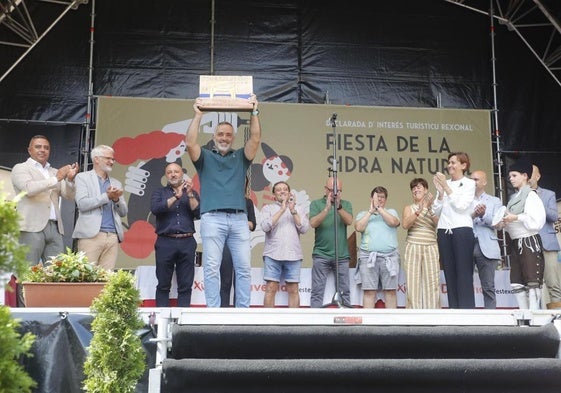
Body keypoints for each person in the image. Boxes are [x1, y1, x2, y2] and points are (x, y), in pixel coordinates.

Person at [185, 94, 260, 308]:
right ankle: (213, 311)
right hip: (212, 218)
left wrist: (254, 112)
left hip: (239, 219)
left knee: (244, 268)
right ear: (214, 136)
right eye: (220, 134)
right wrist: (198, 114)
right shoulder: (205, 158)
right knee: (211, 267)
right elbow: (190, 142)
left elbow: (255, 139)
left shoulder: (241, 157)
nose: (224, 137)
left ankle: (243, 310)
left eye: (228, 134)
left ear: (233, 137)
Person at [11, 135, 79, 265]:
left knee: (57, 274)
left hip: (54, 226)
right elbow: (28, 189)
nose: (42, 150)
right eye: (38, 147)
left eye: (46, 148)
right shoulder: (20, 168)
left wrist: (70, 180)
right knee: (28, 272)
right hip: (31, 227)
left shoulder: (54, 171)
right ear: (29, 150)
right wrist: (56, 179)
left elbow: (69, 196)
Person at [495, 160, 545, 310]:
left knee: (532, 281)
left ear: (525, 176)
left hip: (528, 241)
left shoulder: (531, 196)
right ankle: (523, 314)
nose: (511, 179)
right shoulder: (514, 199)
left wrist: (516, 217)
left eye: (514, 175)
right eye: (510, 176)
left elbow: (537, 221)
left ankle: (534, 315)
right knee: (517, 281)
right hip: (516, 242)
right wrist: (503, 223)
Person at [150, 162, 200, 307]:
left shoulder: (191, 192)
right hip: (166, 242)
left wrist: (189, 194)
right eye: (169, 172)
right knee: (163, 284)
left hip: (187, 241)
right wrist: (176, 197)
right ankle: (161, 323)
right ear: (166, 175)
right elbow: (156, 209)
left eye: (176, 172)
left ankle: (182, 324)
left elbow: (198, 212)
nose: (173, 174)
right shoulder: (159, 192)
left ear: (182, 173)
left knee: (185, 285)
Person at [72, 145, 128, 270]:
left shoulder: (116, 183)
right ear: (96, 159)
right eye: (108, 158)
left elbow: (123, 212)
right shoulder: (83, 178)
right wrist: (106, 196)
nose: (112, 162)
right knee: (86, 277)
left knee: (106, 281)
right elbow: (82, 204)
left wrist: (116, 199)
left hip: (112, 236)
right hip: (91, 236)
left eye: (113, 159)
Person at [432, 152, 476, 309]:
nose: (449, 165)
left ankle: (467, 311)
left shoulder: (469, 183)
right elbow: (436, 211)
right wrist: (440, 193)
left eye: (453, 162)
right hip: (444, 230)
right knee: (449, 272)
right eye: (448, 162)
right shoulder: (446, 183)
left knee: (464, 272)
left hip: (462, 230)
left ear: (463, 166)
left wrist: (446, 187)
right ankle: (454, 310)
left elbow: (461, 206)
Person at [261, 181, 310, 307]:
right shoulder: (268, 208)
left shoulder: (298, 209)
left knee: (293, 289)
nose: (282, 191)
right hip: (273, 254)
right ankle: (267, 323)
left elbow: (304, 229)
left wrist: (292, 210)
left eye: (285, 189)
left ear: (289, 192)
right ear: (274, 194)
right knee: (271, 288)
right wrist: (282, 210)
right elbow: (265, 227)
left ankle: (294, 324)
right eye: (278, 190)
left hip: (293, 255)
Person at [309, 176, 354, 307]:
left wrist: (338, 207)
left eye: (338, 190)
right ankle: (315, 322)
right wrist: (327, 208)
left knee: (344, 291)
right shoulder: (316, 204)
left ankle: (346, 322)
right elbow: (313, 223)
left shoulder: (346, 204)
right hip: (321, 254)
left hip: (341, 256)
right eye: (331, 190)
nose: (334, 193)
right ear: (325, 189)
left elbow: (349, 221)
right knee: (317, 291)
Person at [354, 186, 401, 308]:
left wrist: (379, 209)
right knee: (369, 291)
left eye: (382, 197)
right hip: (368, 257)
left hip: (390, 256)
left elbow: (393, 222)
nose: (379, 199)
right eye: (377, 197)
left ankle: (392, 324)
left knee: (390, 291)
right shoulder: (363, 214)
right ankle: (368, 325)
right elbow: (359, 227)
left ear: (385, 200)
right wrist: (371, 211)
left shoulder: (391, 212)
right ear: (371, 198)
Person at [401, 178, 440, 309]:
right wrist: (420, 210)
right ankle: (413, 314)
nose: (416, 190)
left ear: (426, 190)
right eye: (413, 188)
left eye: (419, 187)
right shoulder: (409, 208)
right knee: (413, 281)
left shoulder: (434, 207)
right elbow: (405, 224)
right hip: (413, 245)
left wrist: (429, 208)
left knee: (432, 281)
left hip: (431, 245)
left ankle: (433, 313)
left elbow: (439, 225)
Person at [529, 164, 561, 309]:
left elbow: (554, 216)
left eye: (531, 174)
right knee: (531, 286)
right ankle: (534, 319)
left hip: (547, 244)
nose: (529, 177)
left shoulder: (549, 194)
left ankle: (558, 320)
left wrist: (537, 201)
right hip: (528, 244)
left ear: (538, 176)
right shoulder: (518, 196)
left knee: (553, 283)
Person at [220, 182, 257, 307]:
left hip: (241, 242)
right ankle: (222, 313)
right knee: (225, 280)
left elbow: (252, 225)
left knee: (241, 279)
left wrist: (238, 223)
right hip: (225, 243)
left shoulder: (247, 202)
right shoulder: (223, 200)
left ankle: (239, 312)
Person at [470, 170, 502, 309]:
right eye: (471, 179)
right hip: (467, 244)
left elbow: (499, 224)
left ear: (484, 182)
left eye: (476, 179)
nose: (473, 182)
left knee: (488, 286)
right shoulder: (464, 200)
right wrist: (472, 215)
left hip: (487, 245)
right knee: (464, 284)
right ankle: (465, 319)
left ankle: (492, 320)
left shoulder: (494, 201)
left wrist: (483, 215)